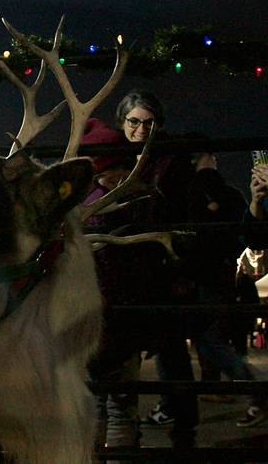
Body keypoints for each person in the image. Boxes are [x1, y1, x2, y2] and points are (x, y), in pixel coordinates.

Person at [104, 90, 199, 448]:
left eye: (149, 122)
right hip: (124, 269)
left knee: (172, 353)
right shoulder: (110, 158)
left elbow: (180, 213)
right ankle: (125, 434)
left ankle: (184, 430)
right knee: (122, 355)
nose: (141, 129)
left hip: (160, 267)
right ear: (122, 122)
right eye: (134, 122)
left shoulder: (171, 162)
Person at [182, 137, 267, 426]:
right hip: (221, 275)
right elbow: (250, 237)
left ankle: (258, 393)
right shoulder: (226, 192)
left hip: (199, 279)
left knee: (208, 342)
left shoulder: (187, 191)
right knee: (209, 342)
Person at [81, 118, 142, 454]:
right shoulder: (119, 203)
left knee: (95, 405)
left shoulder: (80, 203)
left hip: (88, 319)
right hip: (117, 317)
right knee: (120, 406)